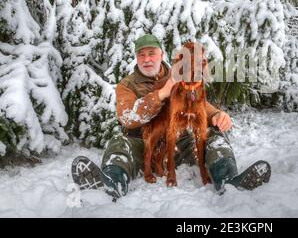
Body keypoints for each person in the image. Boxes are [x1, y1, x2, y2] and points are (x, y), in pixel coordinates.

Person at [71, 34, 271, 199]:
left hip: (180, 145)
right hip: (143, 145)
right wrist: (163, 92)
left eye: (152, 53)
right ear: (136, 58)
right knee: (118, 143)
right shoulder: (127, 85)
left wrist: (217, 114)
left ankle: (229, 181)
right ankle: (111, 183)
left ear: (162, 54)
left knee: (213, 136)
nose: (147, 59)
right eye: (142, 55)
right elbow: (127, 117)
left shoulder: (181, 72)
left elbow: (199, 102)